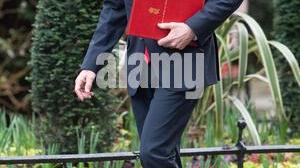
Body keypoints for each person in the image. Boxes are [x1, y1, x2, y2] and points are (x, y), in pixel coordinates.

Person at [74, 0, 243, 167]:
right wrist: (91, 65)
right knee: (163, 154)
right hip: (139, 63)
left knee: (154, 153)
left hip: (184, 61)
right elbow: (115, 7)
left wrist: (192, 28)